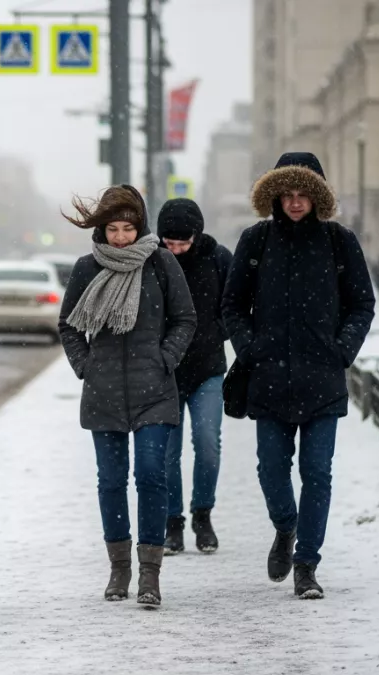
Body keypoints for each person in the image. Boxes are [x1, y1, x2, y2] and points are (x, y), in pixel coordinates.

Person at [222, 152, 375, 600]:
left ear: (317, 196)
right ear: (274, 195)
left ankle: (307, 564)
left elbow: (361, 304)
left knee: (317, 472)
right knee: (271, 469)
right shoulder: (256, 240)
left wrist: (341, 350)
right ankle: (286, 527)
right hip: (268, 377)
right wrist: (251, 349)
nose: (294, 202)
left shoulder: (338, 241)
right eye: (286, 194)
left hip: (322, 377)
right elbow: (232, 305)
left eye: (302, 194)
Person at [58, 185, 197, 607]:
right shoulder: (87, 267)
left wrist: (165, 358)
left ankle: (150, 575)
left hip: (153, 389)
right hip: (104, 392)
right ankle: (119, 569)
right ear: (102, 230)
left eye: (128, 228)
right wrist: (86, 366)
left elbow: (185, 319)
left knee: (152, 475)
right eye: (113, 229)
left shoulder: (161, 263)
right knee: (111, 481)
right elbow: (68, 325)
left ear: (140, 228)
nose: (121, 237)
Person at [156, 198, 232, 555]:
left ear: (197, 235)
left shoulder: (218, 258)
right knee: (168, 454)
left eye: (182, 243)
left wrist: (217, 331)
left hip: (208, 369)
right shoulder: (153, 259)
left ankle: (203, 514)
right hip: (164, 372)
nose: (175, 250)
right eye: (169, 243)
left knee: (207, 442)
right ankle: (173, 523)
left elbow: (237, 304)